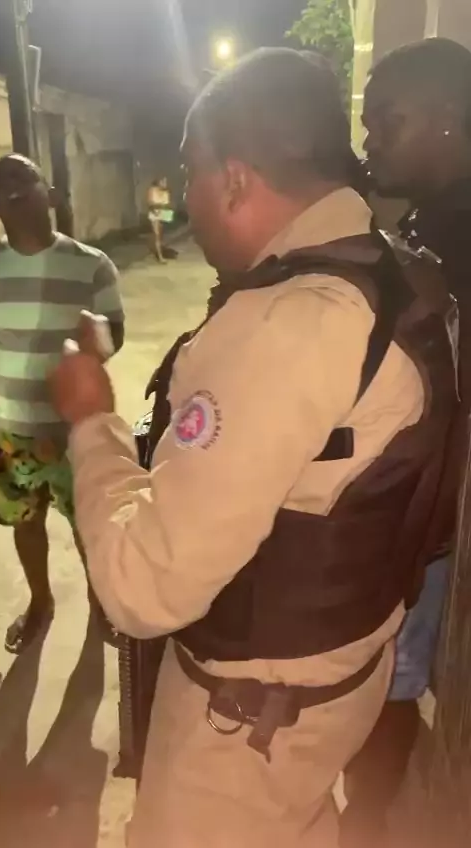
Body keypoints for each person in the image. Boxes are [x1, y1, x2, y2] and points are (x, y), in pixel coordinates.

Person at [49, 48, 457, 848]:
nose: (184, 199)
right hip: (329, 690)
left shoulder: (290, 320)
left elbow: (142, 586)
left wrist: (91, 420)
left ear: (234, 180)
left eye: (189, 172)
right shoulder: (395, 269)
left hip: (244, 733)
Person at [341, 37, 471, 847]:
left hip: (442, 516)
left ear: (449, 120)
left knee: (396, 676)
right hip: (425, 507)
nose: (371, 141)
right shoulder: (428, 220)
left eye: (388, 121)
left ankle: (368, 821)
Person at [0, 153, 125, 654]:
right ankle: (40, 601)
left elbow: (116, 333)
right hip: (8, 427)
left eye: (25, 176)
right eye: (2, 183)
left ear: (49, 192)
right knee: (25, 521)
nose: (14, 186)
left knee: (89, 522)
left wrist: (97, 341)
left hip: (75, 430)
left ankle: (100, 604)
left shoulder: (92, 265)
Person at [147, 177, 174, 263]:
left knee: (160, 236)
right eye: (163, 182)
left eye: (165, 182)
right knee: (157, 235)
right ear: (159, 182)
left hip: (163, 214)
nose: (165, 183)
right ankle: (160, 256)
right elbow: (151, 203)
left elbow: (167, 203)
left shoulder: (165, 192)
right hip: (155, 214)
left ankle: (157, 251)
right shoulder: (153, 190)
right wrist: (158, 206)